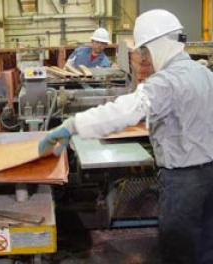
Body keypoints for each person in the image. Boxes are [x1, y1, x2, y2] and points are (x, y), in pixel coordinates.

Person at [39, 9, 213, 264]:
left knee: (180, 251)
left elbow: (123, 112)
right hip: (209, 176)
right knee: (207, 245)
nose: (144, 58)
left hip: (183, 183)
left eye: (145, 50)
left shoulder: (166, 82)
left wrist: (72, 125)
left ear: (159, 45)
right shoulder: (206, 74)